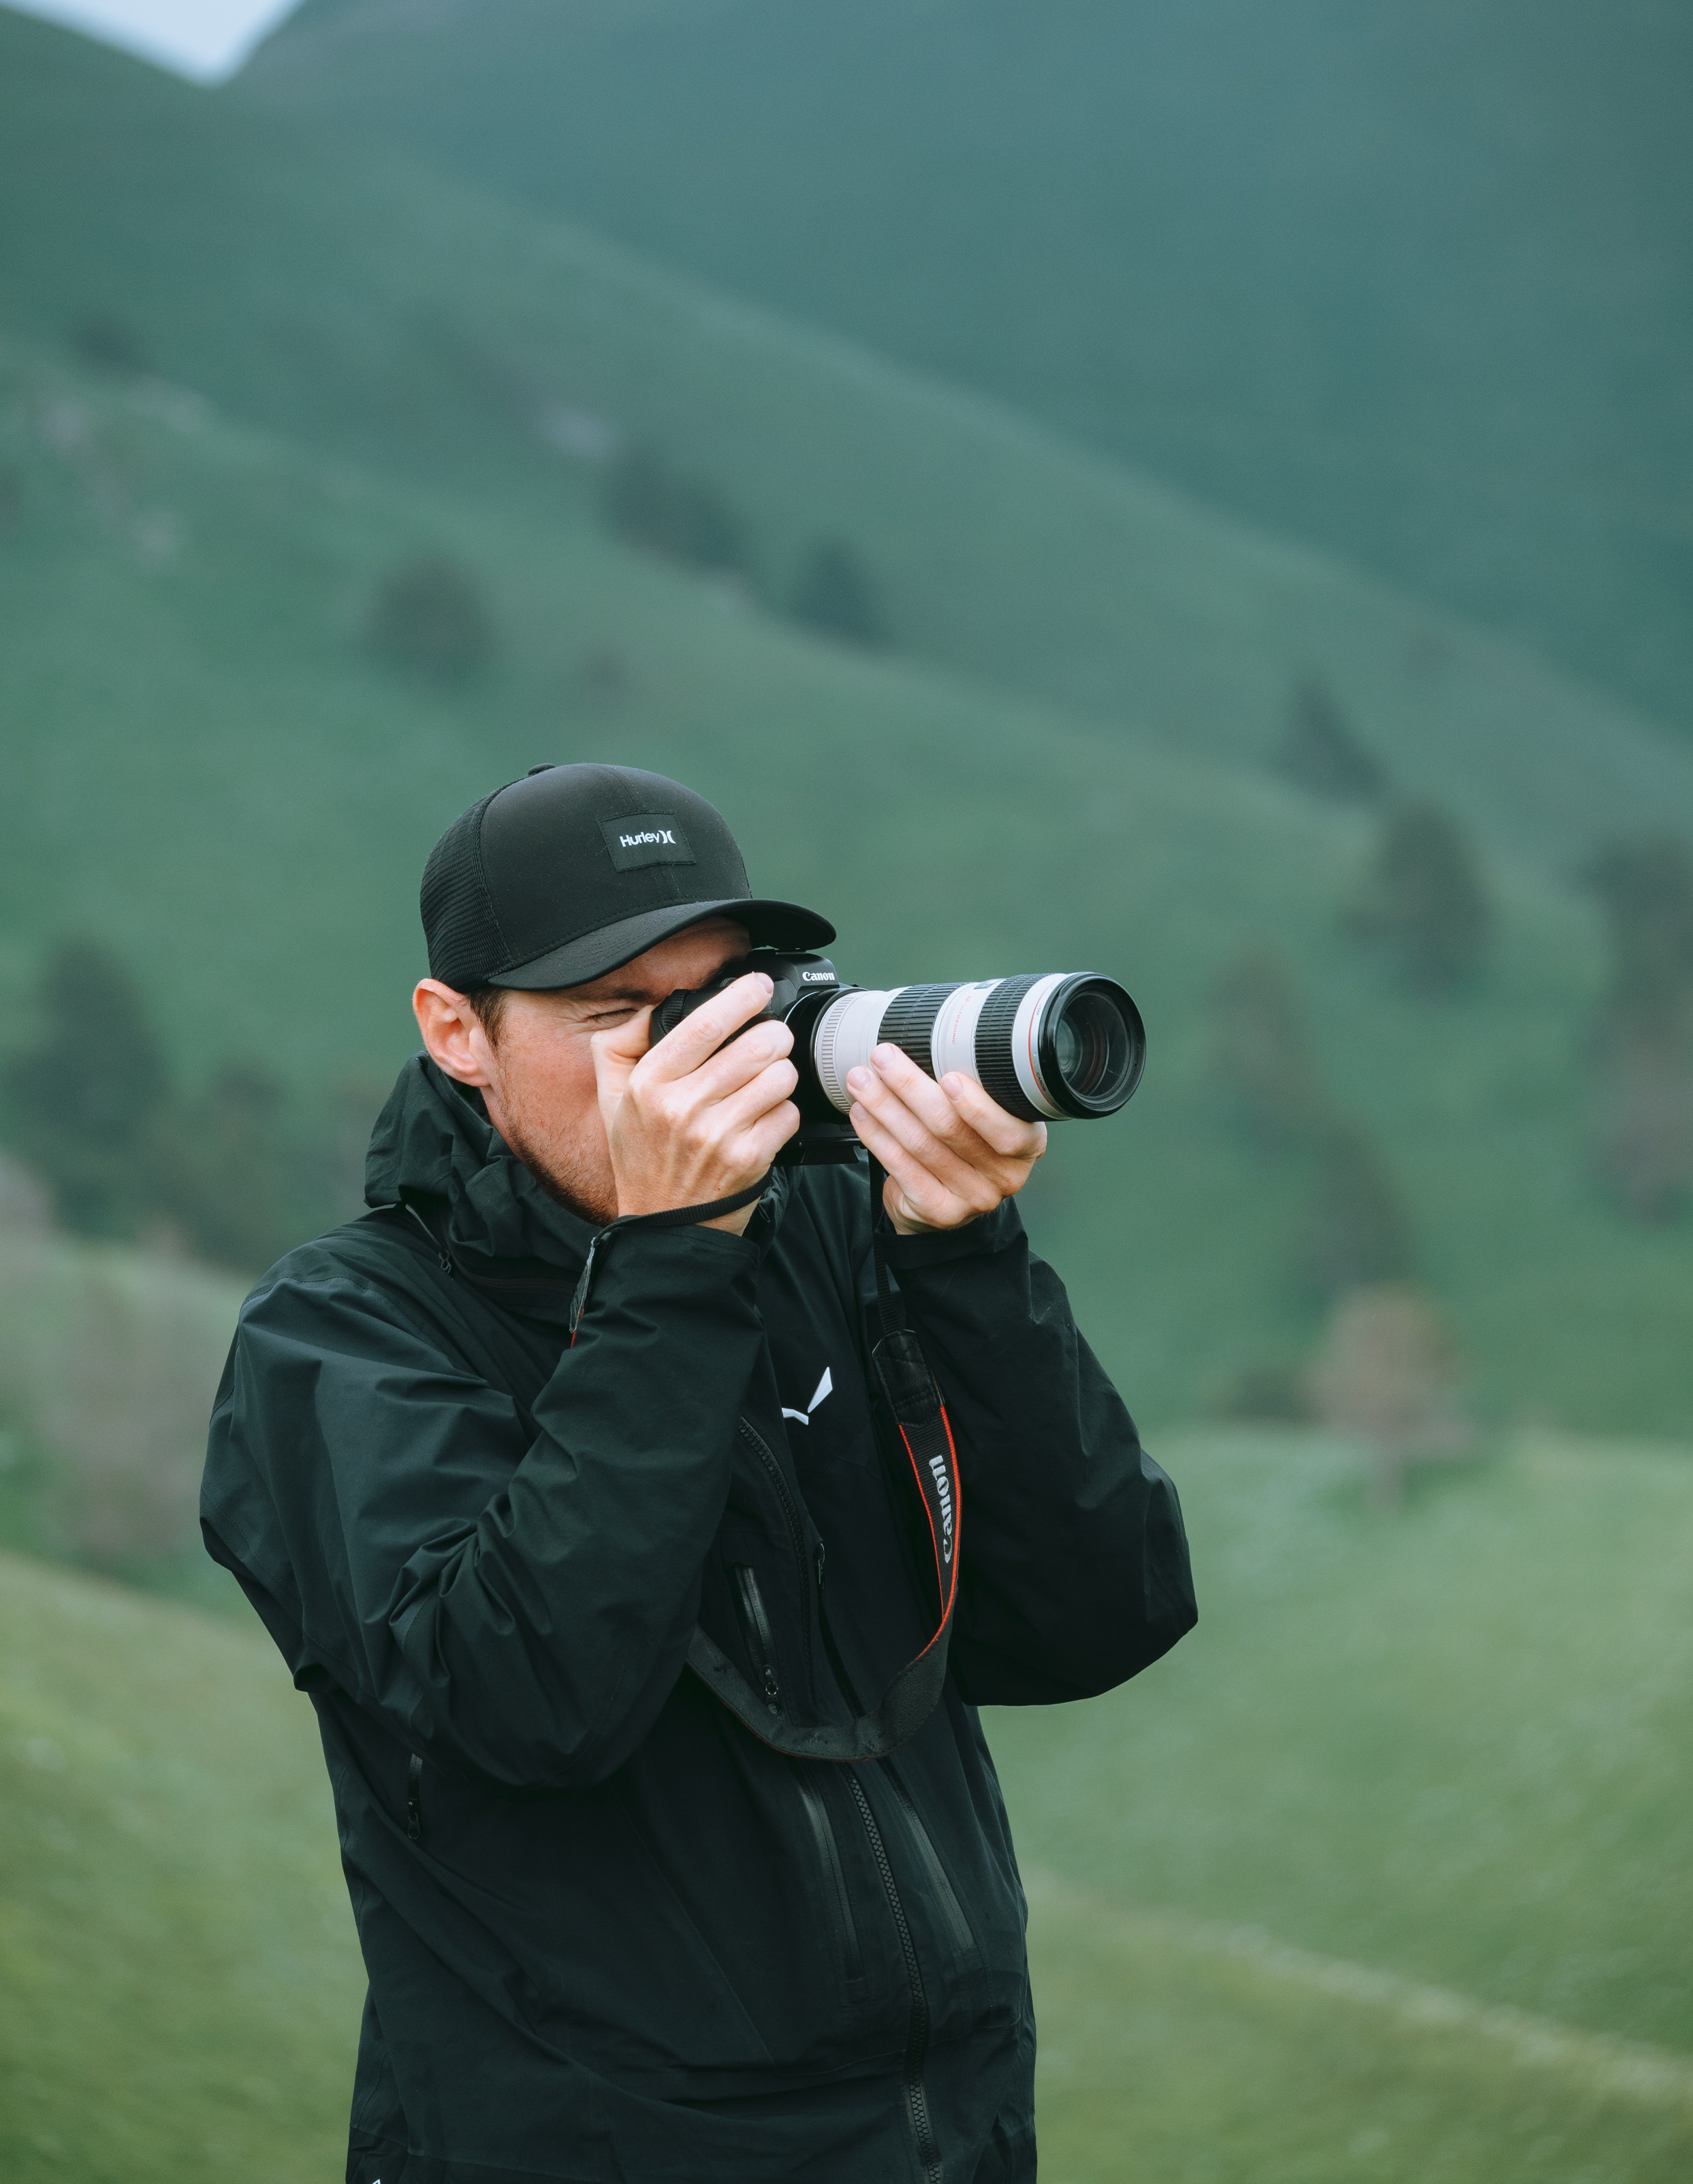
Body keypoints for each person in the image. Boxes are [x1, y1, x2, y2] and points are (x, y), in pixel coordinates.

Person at [202, 762, 1195, 2184]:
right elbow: (531, 1699)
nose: (685, 1062)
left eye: (720, 1004)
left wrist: (963, 1255)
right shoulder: (337, 1336)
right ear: (455, 1030)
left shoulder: (830, 1236)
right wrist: (674, 1262)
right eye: (616, 1017)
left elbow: (1102, 1611)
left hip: (947, 2134)